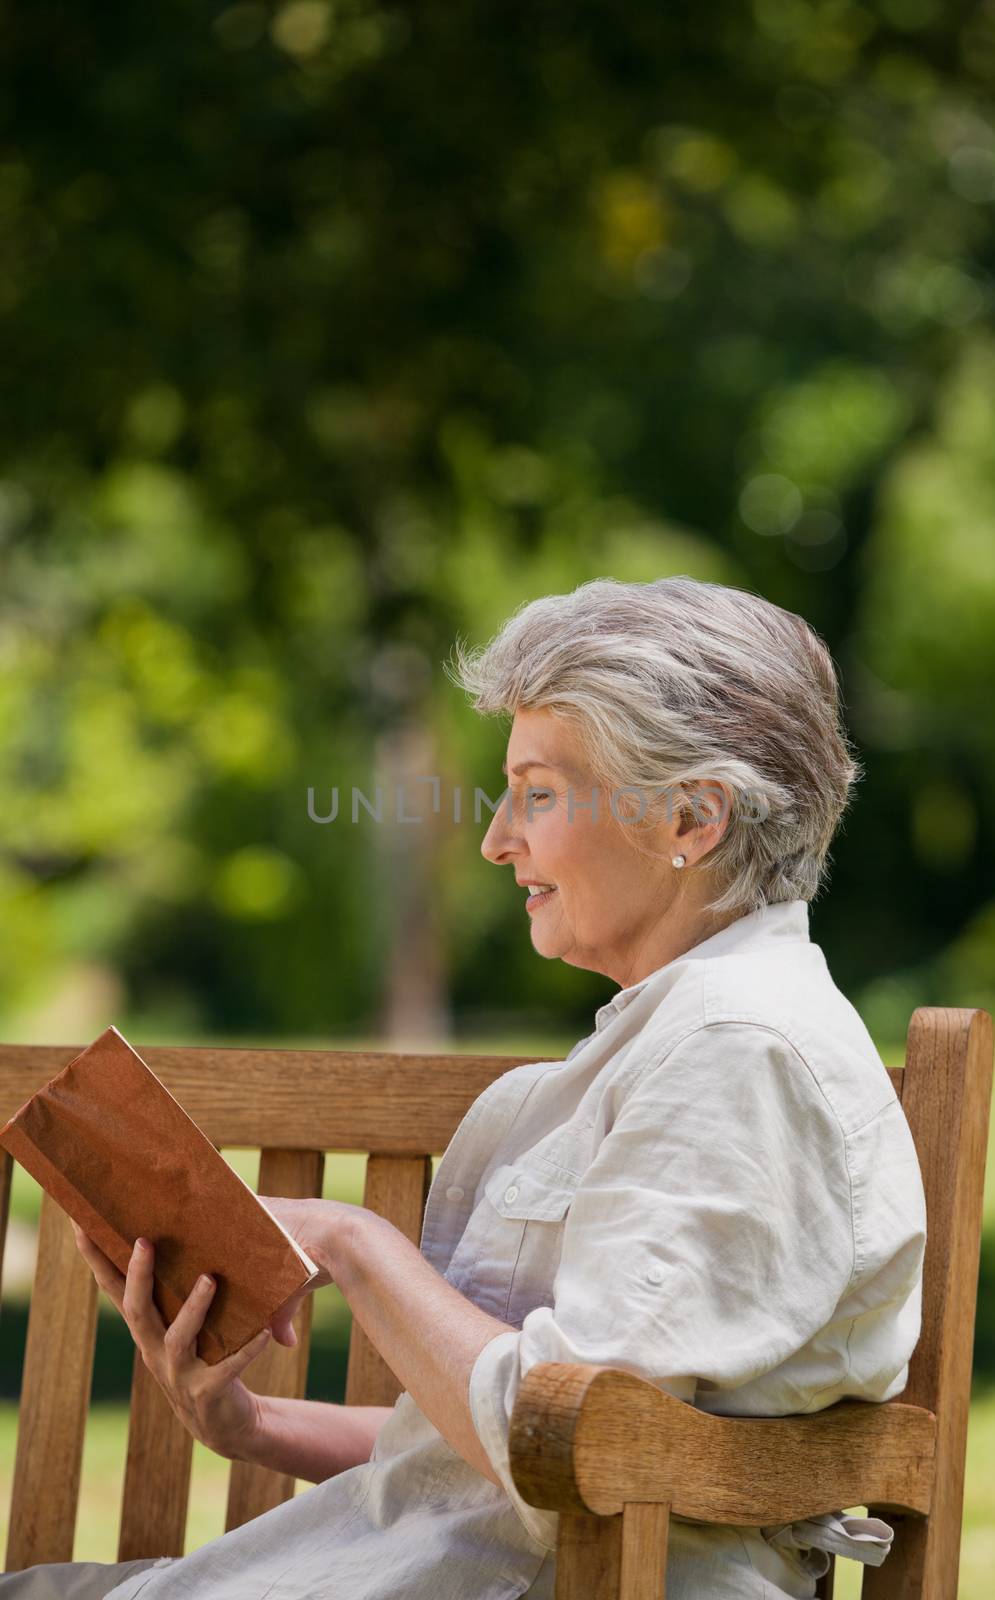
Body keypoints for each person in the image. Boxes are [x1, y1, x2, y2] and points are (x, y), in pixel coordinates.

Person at [4, 577, 925, 1599]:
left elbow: (581, 1452)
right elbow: (481, 1462)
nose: (494, 838)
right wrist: (250, 1423)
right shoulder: (675, 1042)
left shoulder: (738, 1052)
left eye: (536, 790)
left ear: (691, 818)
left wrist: (356, 1243)